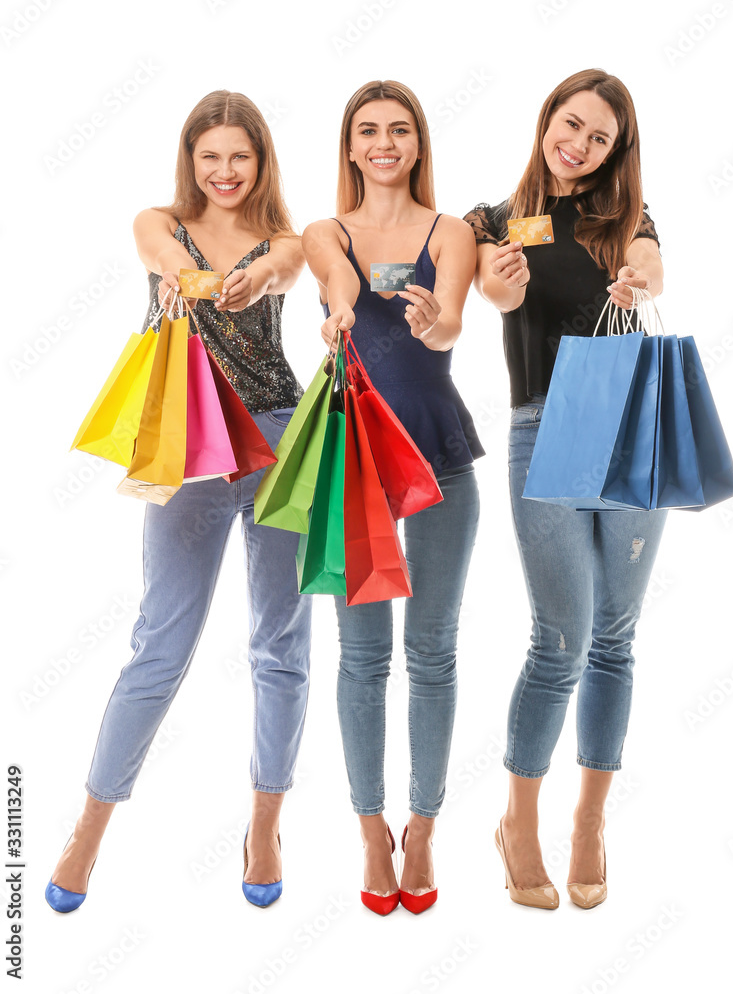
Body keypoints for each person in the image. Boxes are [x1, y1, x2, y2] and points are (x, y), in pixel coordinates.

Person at [45, 90, 311, 912]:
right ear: (190, 161)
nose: (225, 171)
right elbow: (157, 247)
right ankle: (88, 827)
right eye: (211, 157)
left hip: (276, 441)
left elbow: (286, 263)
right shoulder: (158, 222)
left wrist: (254, 274)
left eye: (240, 156)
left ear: (260, 161)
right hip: (191, 448)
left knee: (281, 643)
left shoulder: (286, 240)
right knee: (159, 647)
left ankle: (265, 822)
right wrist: (183, 279)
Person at [464, 68, 666, 910]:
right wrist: (498, 283)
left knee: (614, 638)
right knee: (560, 641)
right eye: (570, 124)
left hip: (629, 432)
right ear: (546, 117)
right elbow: (487, 282)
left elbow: (650, 263)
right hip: (543, 429)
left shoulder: (625, 219)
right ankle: (518, 822)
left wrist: (639, 280)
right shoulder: (493, 220)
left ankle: (587, 824)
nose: (577, 145)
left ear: (615, 152)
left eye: (598, 138)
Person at [302, 80, 482, 915]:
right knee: (364, 656)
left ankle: (424, 824)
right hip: (356, 467)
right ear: (350, 145)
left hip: (438, 458)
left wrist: (431, 323)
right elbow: (336, 281)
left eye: (399, 130)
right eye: (368, 131)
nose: (383, 143)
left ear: (417, 144)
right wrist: (342, 311)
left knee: (433, 652)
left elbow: (449, 321)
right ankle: (370, 827)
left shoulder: (451, 232)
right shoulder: (323, 231)